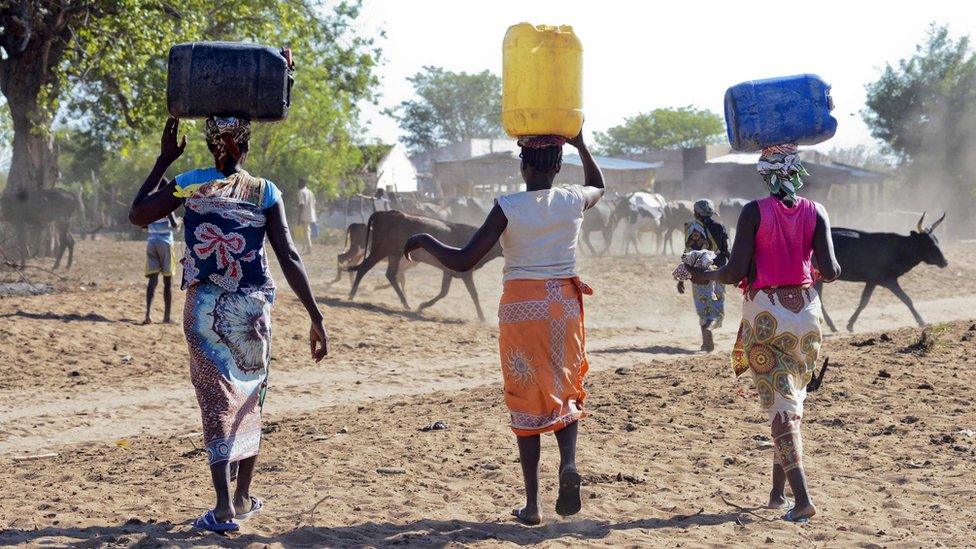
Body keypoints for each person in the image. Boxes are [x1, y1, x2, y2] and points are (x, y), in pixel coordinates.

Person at [128, 117, 329, 533]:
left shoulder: (188, 182)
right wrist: (316, 315)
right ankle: (241, 497)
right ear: (245, 146)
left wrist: (163, 160)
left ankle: (223, 507)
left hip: (204, 310)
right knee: (250, 397)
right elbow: (289, 255)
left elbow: (137, 213)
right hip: (253, 311)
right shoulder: (266, 191)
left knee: (216, 401)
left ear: (210, 144)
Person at [403, 128, 604, 525]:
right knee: (563, 385)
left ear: (524, 166)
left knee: (525, 393)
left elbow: (463, 261)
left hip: (521, 308)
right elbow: (598, 184)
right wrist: (580, 143)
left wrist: (425, 238)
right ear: (558, 167)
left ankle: (532, 504)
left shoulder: (508, 206)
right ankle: (568, 462)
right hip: (562, 303)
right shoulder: (572, 200)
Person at [687, 143, 840, 523]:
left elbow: (735, 272)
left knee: (782, 409)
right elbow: (833, 270)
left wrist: (702, 274)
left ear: (766, 175)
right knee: (788, 402)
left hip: (766, 316)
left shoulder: (755, 211)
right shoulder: (816, 211)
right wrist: (805, 262)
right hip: (806, 315)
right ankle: (776, 493)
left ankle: (802, 500)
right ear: (797, 172)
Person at [677, 199, 729, 351]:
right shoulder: (720, 227)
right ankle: (711, 328)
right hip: (717, 273)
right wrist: (736, 273)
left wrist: (681, 279)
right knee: (717, 311)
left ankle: (706, 344)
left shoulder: (690, 228)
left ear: (695, 212)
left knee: (704, 309)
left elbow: (687, 255)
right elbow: (726, 251)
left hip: (697, 275)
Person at [143, 179, 179, 325]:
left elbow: (143, 225)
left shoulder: (149, 205)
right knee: (167, 281)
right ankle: (166, 317)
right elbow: (175, 225)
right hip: (165, 243)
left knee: (152, 280)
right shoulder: (167, 205)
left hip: (151, 243)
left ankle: (148, 315)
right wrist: (179, 223)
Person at [295, 178, 316, 254]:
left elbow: (301, 204)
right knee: (307, 231)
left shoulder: (301, 192)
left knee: (306, 231)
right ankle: (305, 248)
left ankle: (309, 248)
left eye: (299, 183)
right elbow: (314, 202)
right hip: (311, 214)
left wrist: (299, 217)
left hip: (305, 214)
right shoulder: (310, 192)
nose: (298, 185)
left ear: (303, 184)